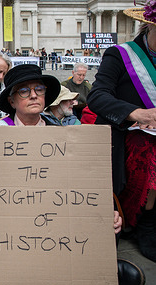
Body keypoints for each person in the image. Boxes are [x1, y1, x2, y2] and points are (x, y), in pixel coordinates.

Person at [0, 64, 146, 285]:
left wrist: (101, 209)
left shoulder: (62, 133)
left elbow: (82, 181)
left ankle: (100, 266)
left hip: (54, 207)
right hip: (11, 210)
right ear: (11, 101)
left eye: (39, 89)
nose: (33, 95)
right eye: (24, 91)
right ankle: (77, 268)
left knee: (107, 220)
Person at [87, 0, 156, 262]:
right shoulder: (120, 55)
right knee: (150, 152)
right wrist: (137, 114)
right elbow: (98, 96)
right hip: (126, 134)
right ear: (149, 23)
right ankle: (145, 222)